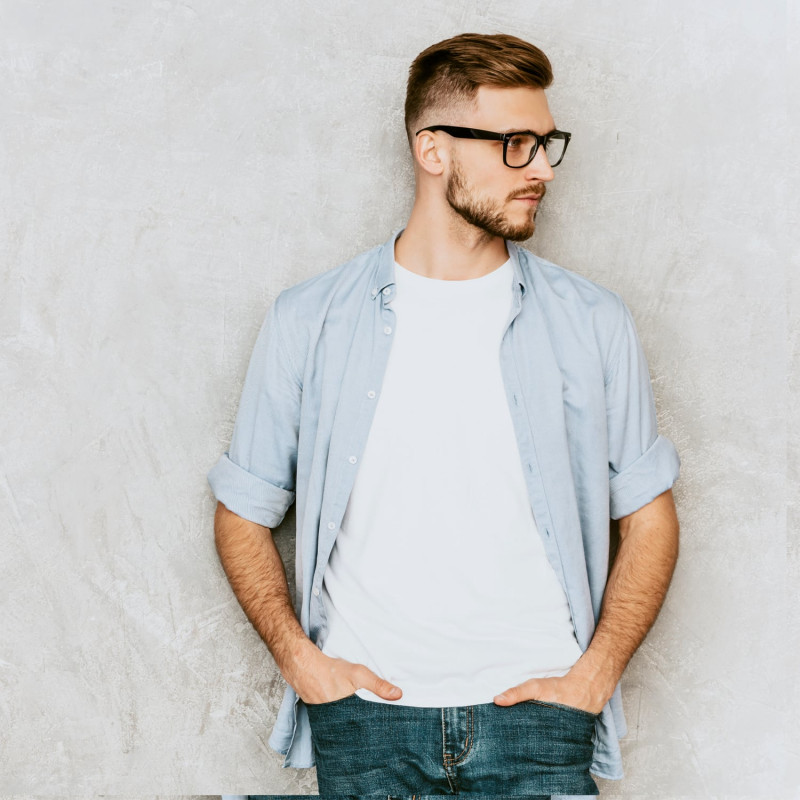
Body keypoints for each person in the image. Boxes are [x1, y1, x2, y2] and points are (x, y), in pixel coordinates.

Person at [207, 32, 681, 798]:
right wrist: (304, 663)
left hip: (541, 719)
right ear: (433, 150)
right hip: (365, 720)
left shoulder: (593, 322)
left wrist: (593, 677)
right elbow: (242, 510)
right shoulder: (309, 321)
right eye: (517, 145)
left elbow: (651, 518)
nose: (543, 170)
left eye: (547, 143)